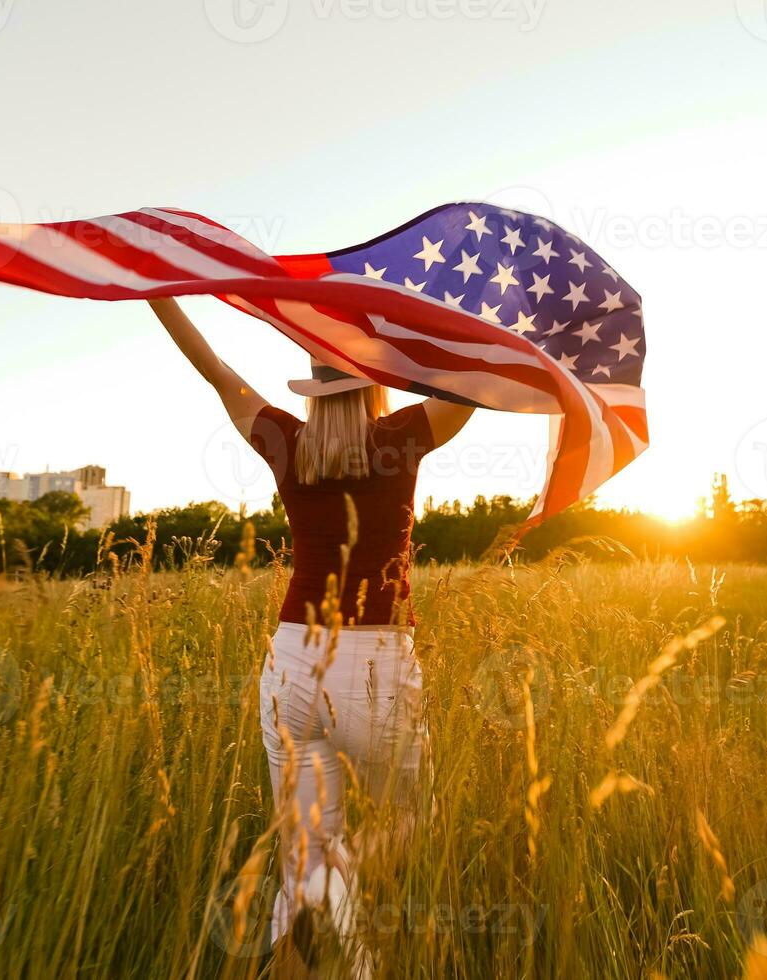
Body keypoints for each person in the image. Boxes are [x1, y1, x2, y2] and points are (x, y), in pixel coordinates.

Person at [148, 298, 474, 977]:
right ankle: (333, 913)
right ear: (372, 383)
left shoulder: (287, 444)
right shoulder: (402, 437)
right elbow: (470, 377)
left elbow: (215, 371)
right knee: (413, 821)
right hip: (375, 666)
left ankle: (305, 932)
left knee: (306, 848)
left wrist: (159, 294)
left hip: (293, 657)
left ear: (315, 387)